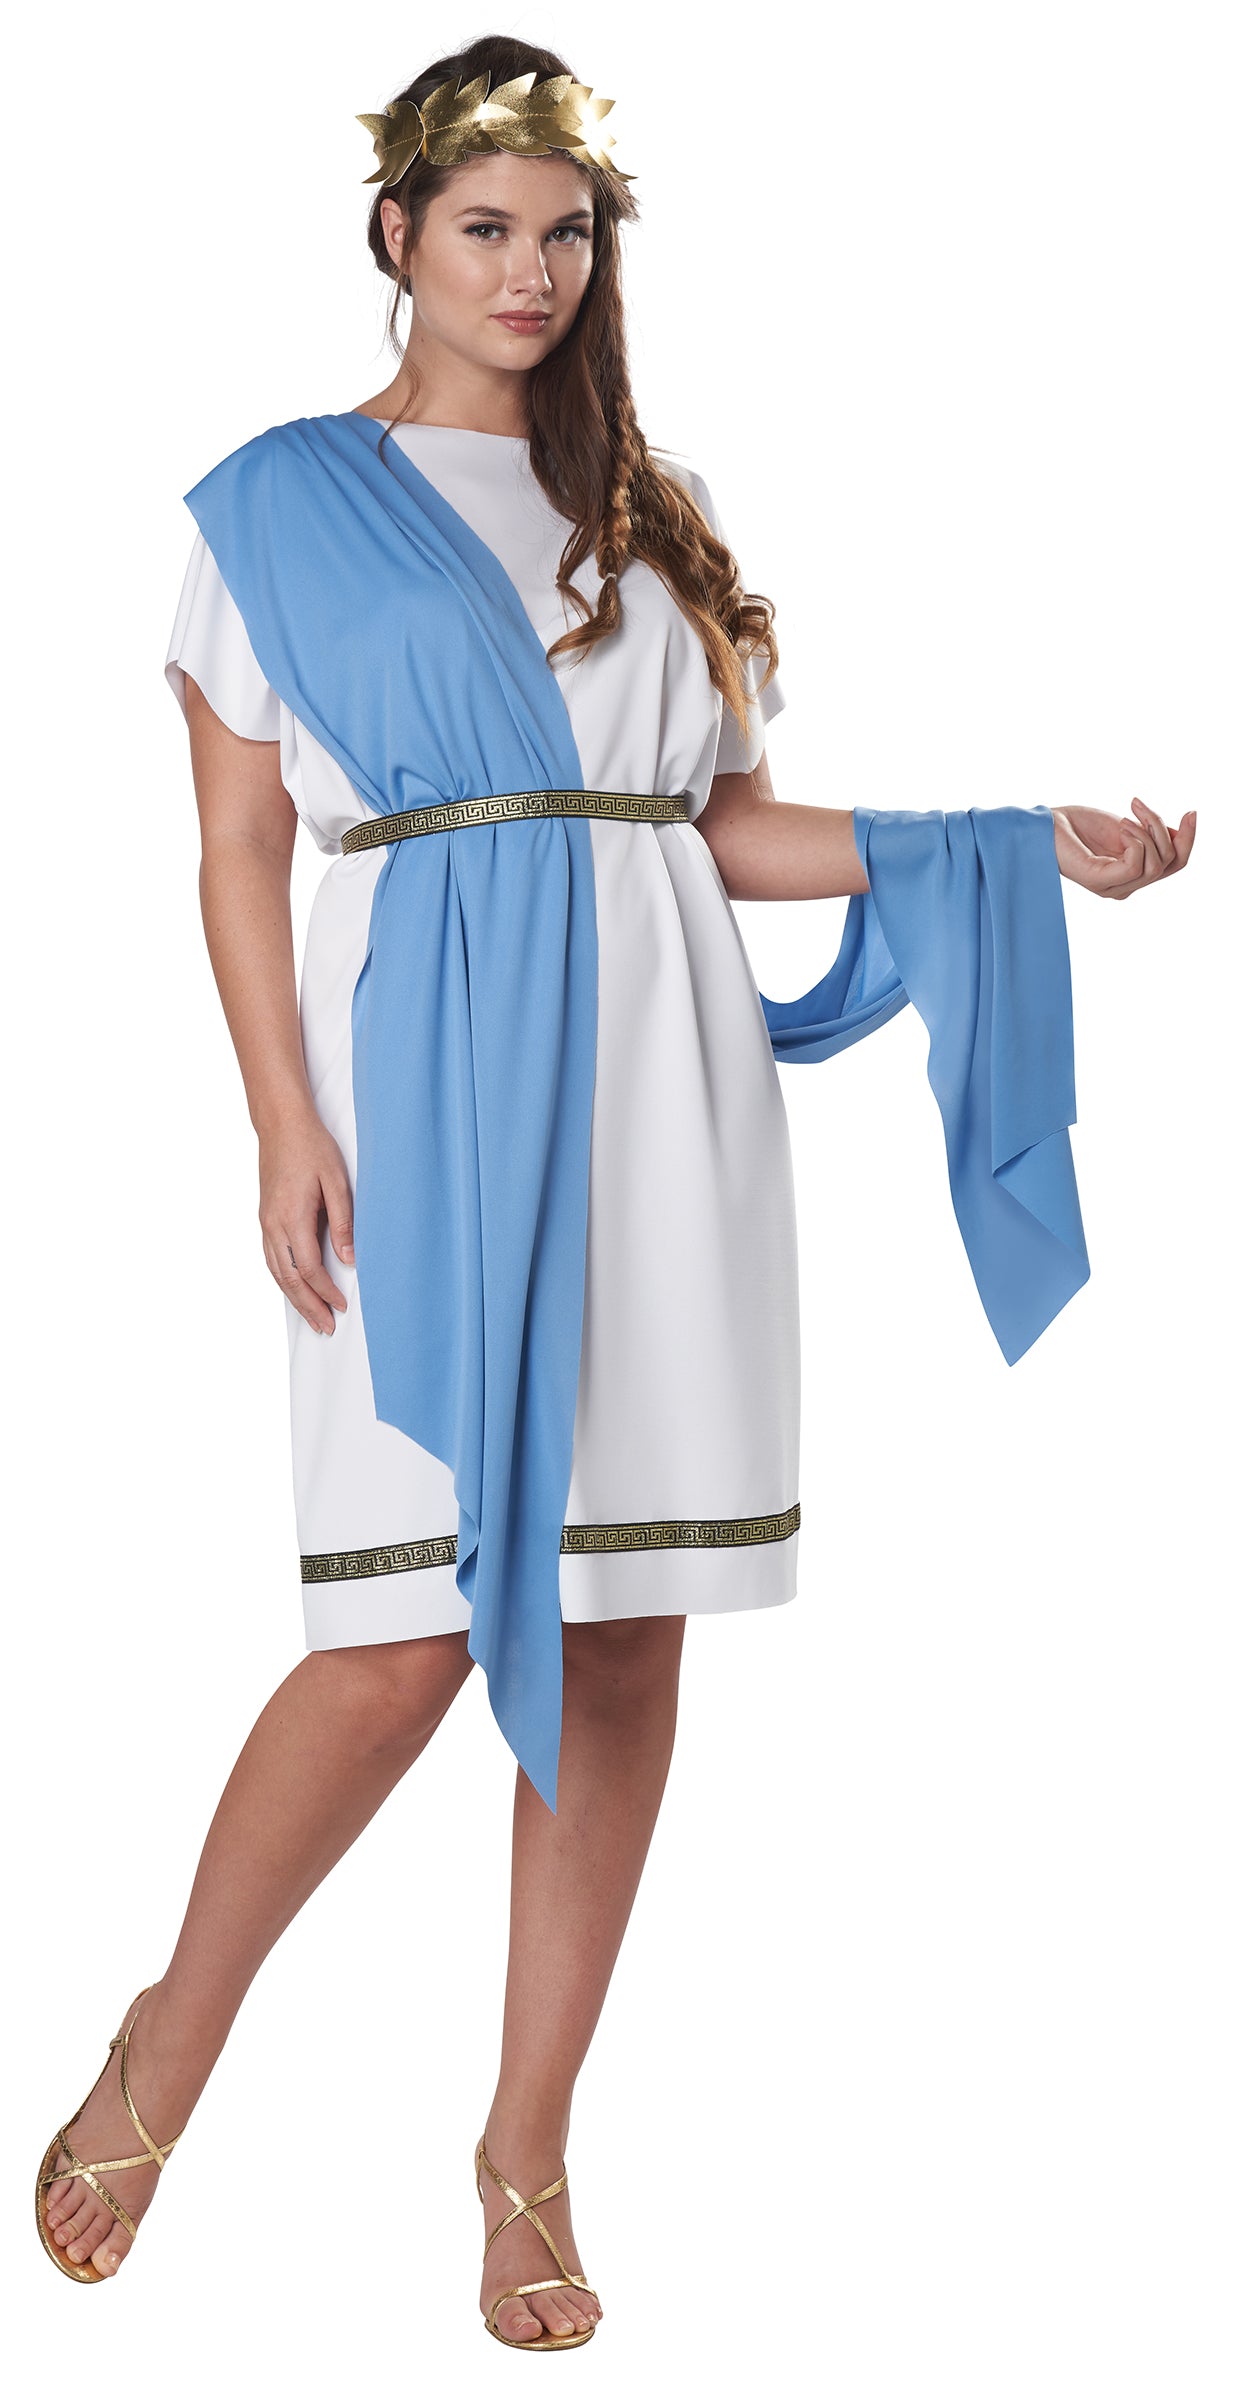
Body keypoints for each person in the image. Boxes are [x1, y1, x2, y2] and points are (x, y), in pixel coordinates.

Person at [34, 31, 1195, 2352]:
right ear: (397, 236)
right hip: (413, 1087)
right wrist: (279, 1118)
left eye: (568, 234)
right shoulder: (275, 503)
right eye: (487, 228)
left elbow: (715, 829)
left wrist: (1008, 848)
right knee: (396, 1640)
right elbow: (241, 844)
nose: (531, 271)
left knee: (629, 1622)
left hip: (665, 1095)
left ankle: (527, 2144)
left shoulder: (649, 513)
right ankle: (172, 2032)